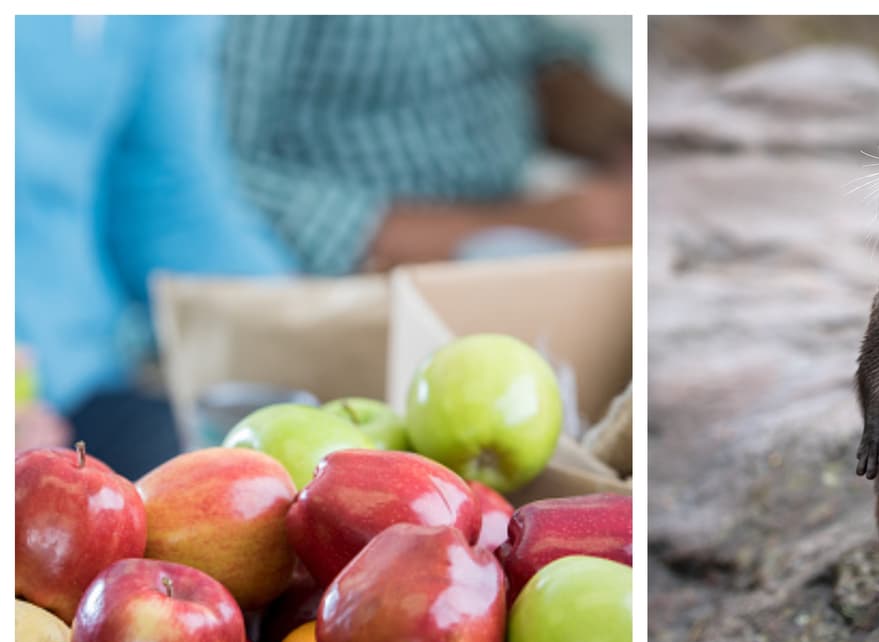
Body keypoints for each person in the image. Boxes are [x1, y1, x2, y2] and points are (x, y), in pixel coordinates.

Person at [15, 16, 299, 478]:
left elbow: (166, 194)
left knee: (225, 483)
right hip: (27, 403)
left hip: (79, 383)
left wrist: (309, 322)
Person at [221, 15, 632, 274]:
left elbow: (526, 49)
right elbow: (211, 173)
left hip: (504, 267)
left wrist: (631, 140)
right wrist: (509, 230)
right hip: (347, 297)